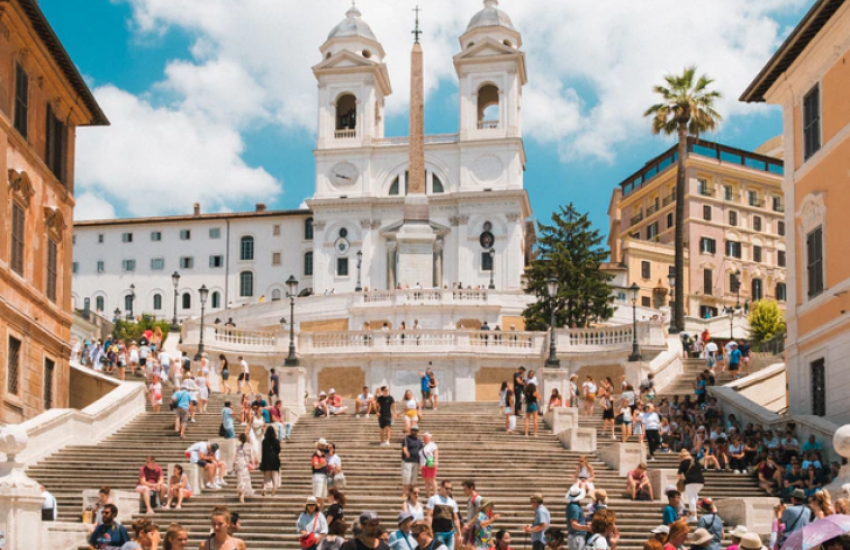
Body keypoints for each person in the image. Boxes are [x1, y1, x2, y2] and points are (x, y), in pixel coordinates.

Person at [426, 480, 462, 550]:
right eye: (447, 488)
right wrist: (429, 530)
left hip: (450, 533)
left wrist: (459, 533)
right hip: (438, 532)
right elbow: (429, 516)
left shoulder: (452, 502)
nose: (449, 491)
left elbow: (456, 518)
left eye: (450, 489)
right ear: (441, 487)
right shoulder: (433, 499)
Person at [678, 450, 704, 523]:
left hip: (690, 481)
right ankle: (694, 514)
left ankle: (693, 516)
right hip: (701, 482)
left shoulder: (683, 462)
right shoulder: (696, 462)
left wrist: (681, 480)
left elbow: (678, 475)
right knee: (694, 495)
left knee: (691, 497)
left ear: (682, 457)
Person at [402, 425, 424, 498]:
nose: (414, 432)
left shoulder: (419, 441)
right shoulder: (406, 439)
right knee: (407, 477)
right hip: (407, 460)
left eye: (416, 430)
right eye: (413, 430)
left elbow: (422, 450)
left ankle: (411, 493)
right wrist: (406, 452)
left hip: (416, 461)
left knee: (414, 478)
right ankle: (404, 493)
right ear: (411, 430)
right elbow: (404, 447)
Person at [259, 426, 281, 497]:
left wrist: (262, 463)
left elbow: (263, 452)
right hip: (275, 461)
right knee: (275, 478)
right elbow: (278, 450)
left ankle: (264, 488)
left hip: (266, 461)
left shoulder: (264, 441)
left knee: (266, 478)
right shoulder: (276, 441)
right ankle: (273, 492)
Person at [565, 486, 588, 550]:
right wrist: (587, 528)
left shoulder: (574, 506)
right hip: (577, 537)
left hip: (576, 537)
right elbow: (574, 524)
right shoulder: (574, 507)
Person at [420, 432, 439, 498]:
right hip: (423, 465)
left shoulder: (432, 445)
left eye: (426, 437)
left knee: (432, 479)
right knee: (426, 480)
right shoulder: (423, 445)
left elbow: (435, 453)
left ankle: (435, 494)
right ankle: (428, 494)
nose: (424, 438)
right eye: (424, 437)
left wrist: (436, 461)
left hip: (430, 464)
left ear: (430, 438)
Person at [313, 439, 330, 508]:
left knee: (322, 497)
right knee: (318, 496)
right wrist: (324, 464)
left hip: (324, 477)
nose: (323, 446)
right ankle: (315, 512)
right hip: (318, 476)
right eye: (321, 445)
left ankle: (320, 512)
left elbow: (330, 448)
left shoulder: (323, 454)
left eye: (324, 445)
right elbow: (316, 466)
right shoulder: (316, 455)